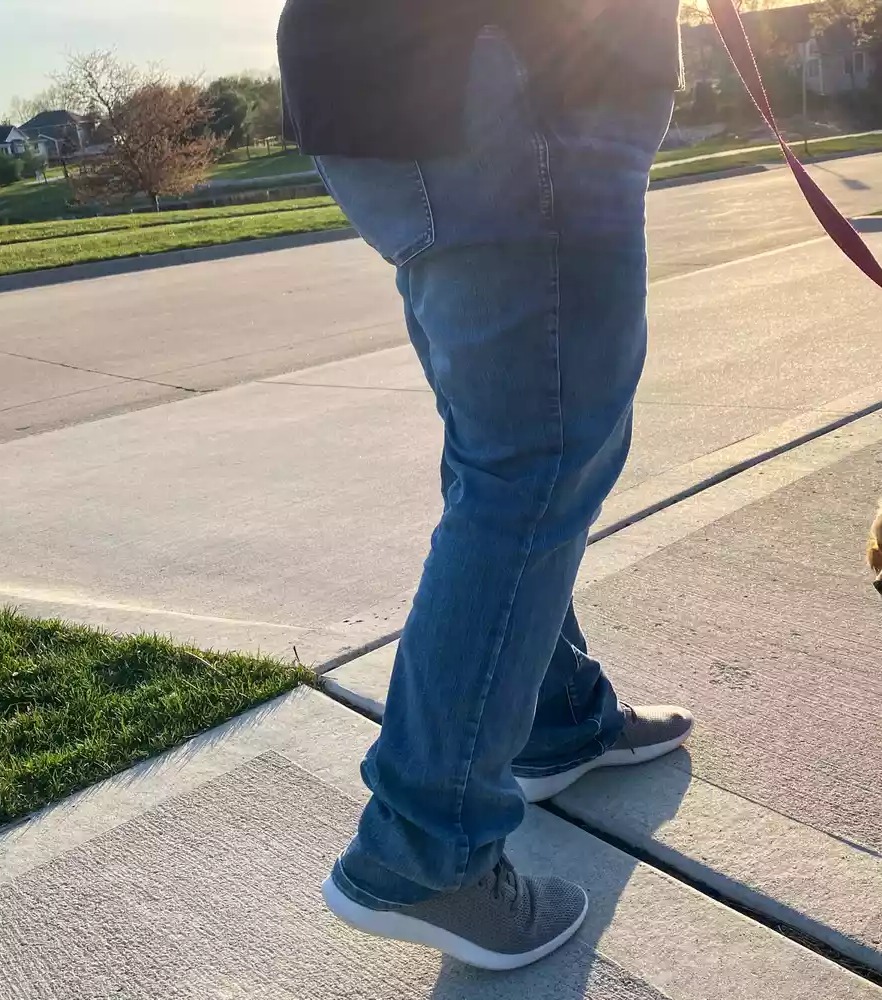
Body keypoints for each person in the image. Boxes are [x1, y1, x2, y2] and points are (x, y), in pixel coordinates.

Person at [277, 0, 694, 971]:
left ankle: (558, 716)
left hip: (406, 74)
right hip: (509, 76)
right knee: (534, 461)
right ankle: (427, 849)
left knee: (509, 452)